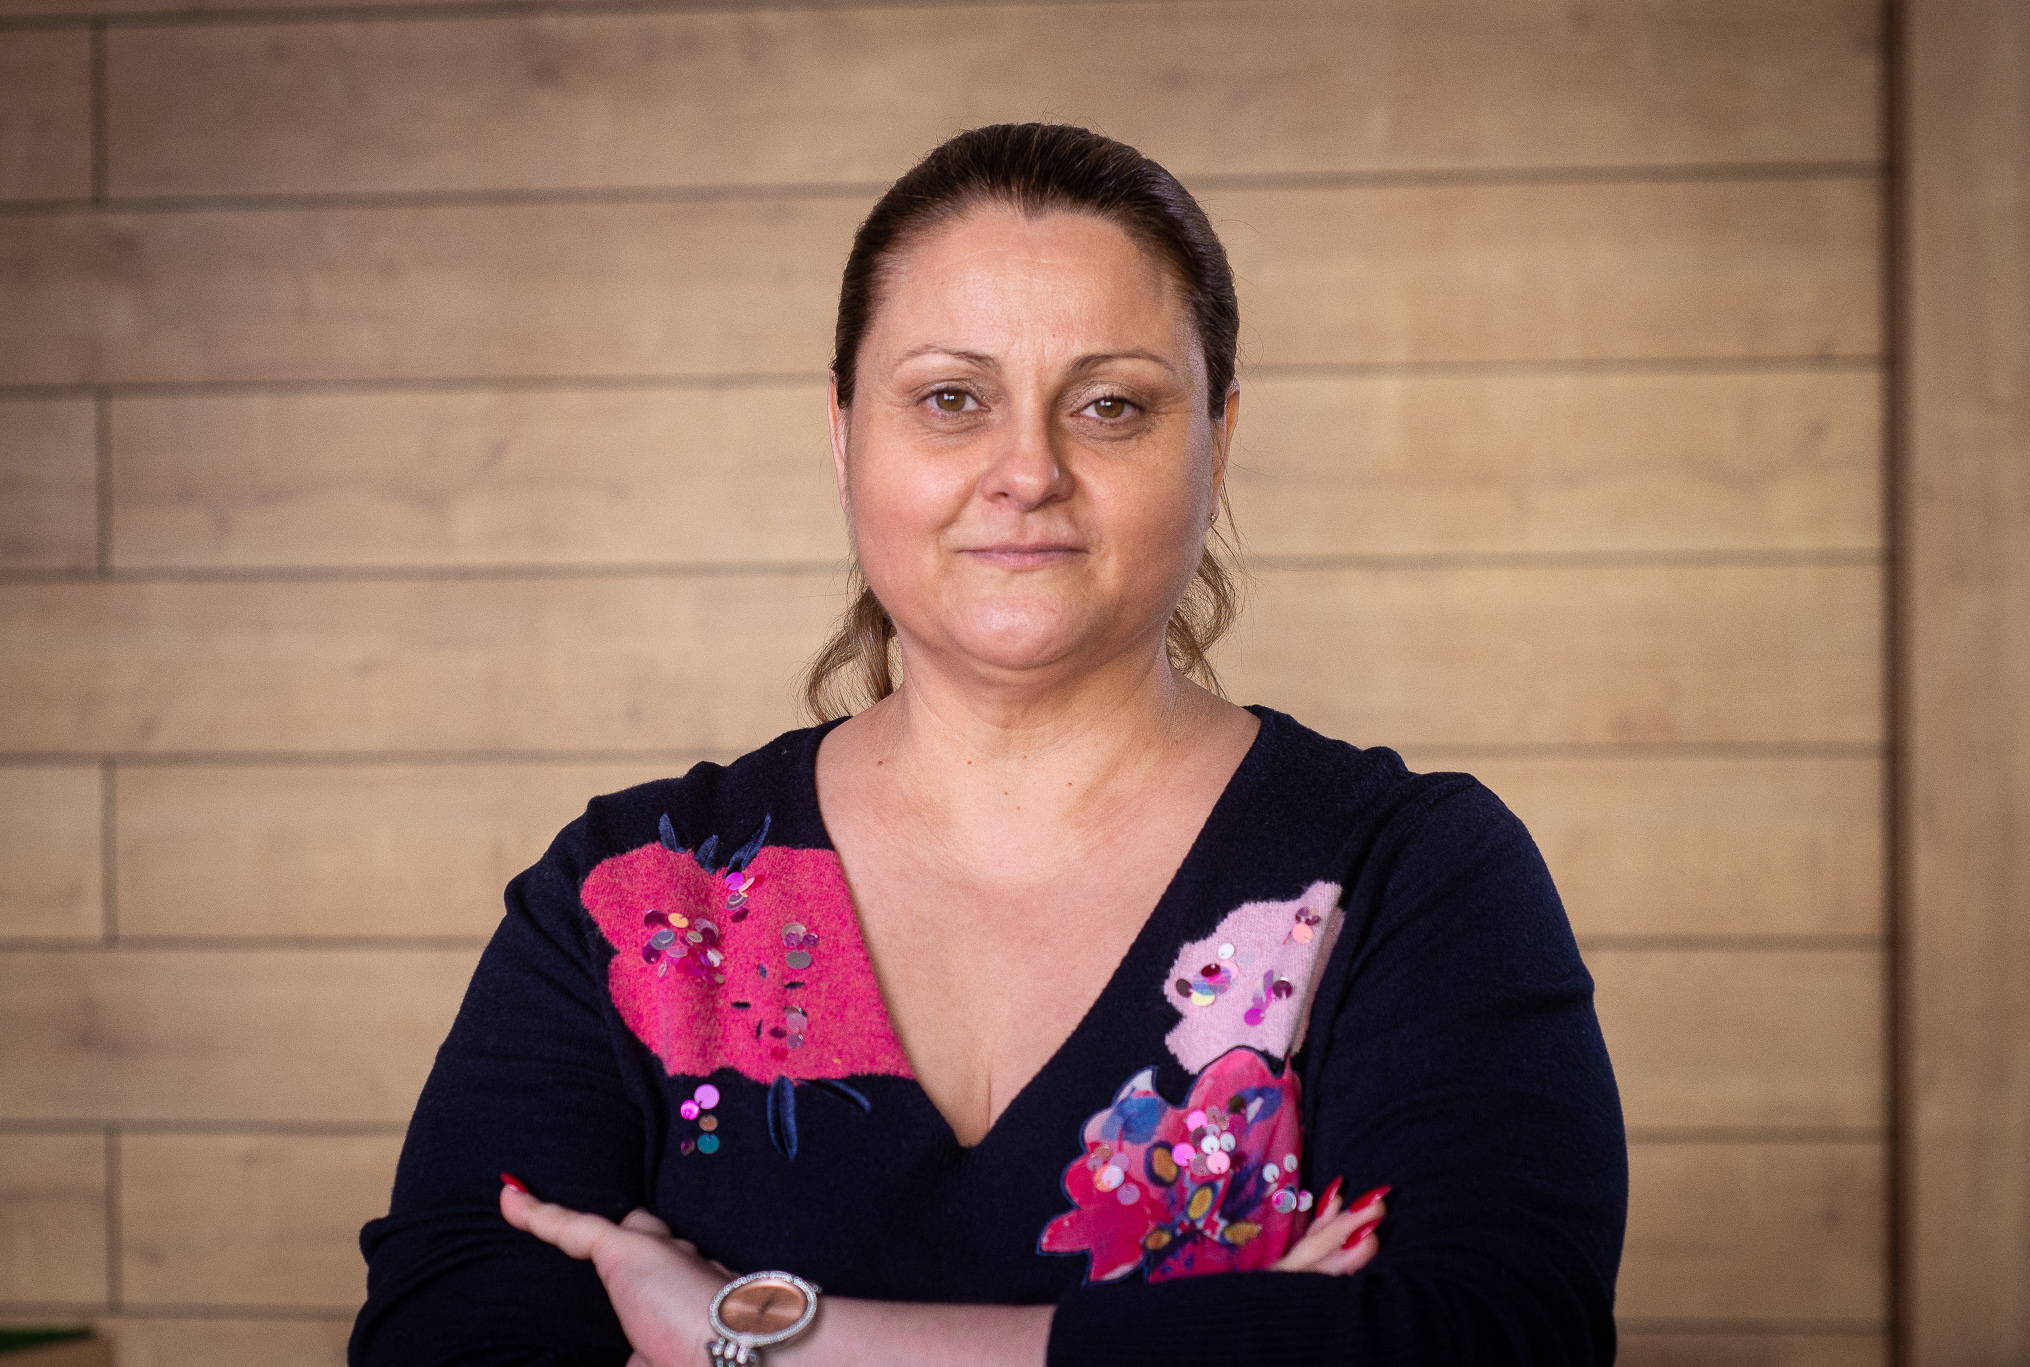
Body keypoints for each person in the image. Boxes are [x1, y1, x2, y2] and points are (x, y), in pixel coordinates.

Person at [350, 122, 1627, 1367]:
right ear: (843, 432)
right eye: (950, 399)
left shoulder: (1412, 873)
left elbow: (1492, 1341)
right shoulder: (633, 895)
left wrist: (757, 1336)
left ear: (1217, 440)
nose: (1027, 471)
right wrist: (1235, 1338)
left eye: (1111, 404)